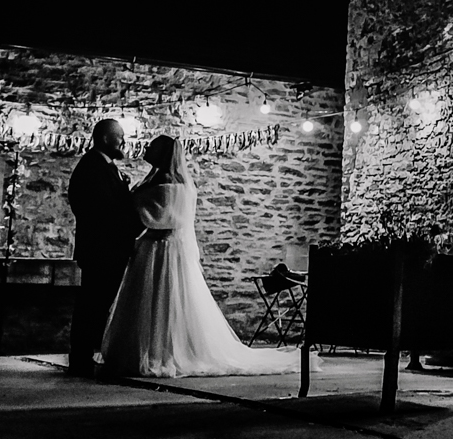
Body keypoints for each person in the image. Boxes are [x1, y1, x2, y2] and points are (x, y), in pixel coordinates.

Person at [97, 136, 295, 378]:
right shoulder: (161, 178)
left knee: (160, 299)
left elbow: (156, 216)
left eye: (152, 147)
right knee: (156, 300)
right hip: (159, 248)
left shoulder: (168, 182)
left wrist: (128, 200)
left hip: (161, 249)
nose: (147, 149)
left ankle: (159, 352)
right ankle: (151, 350)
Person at [66, 118, 142, 375]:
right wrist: (138, 228)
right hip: (103, 249)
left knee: (96, 303)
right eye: (120, 137)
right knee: (93, 304)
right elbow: (108, 211)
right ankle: (80, 359)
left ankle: (83, 356)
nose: (124, 143)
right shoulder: (94, 168)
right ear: (108, 139)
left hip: (103, 248)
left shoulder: (101, 166)